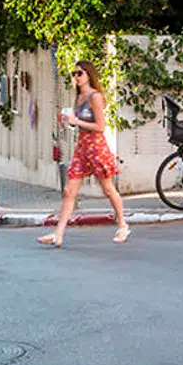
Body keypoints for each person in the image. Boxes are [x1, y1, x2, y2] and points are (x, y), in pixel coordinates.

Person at [37, 60, 128, 248]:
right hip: (82, 147)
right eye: (74, 74)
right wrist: (67, 121)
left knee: (108, 189)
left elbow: (100, 126)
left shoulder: (95, 97)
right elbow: (78, 123)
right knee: (69, 191)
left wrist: (76, 121)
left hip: (96, 147)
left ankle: (122, 225)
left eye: (80, 73)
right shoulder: (79, 97)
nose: (76, 77)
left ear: (89, 75)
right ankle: (58, 234)